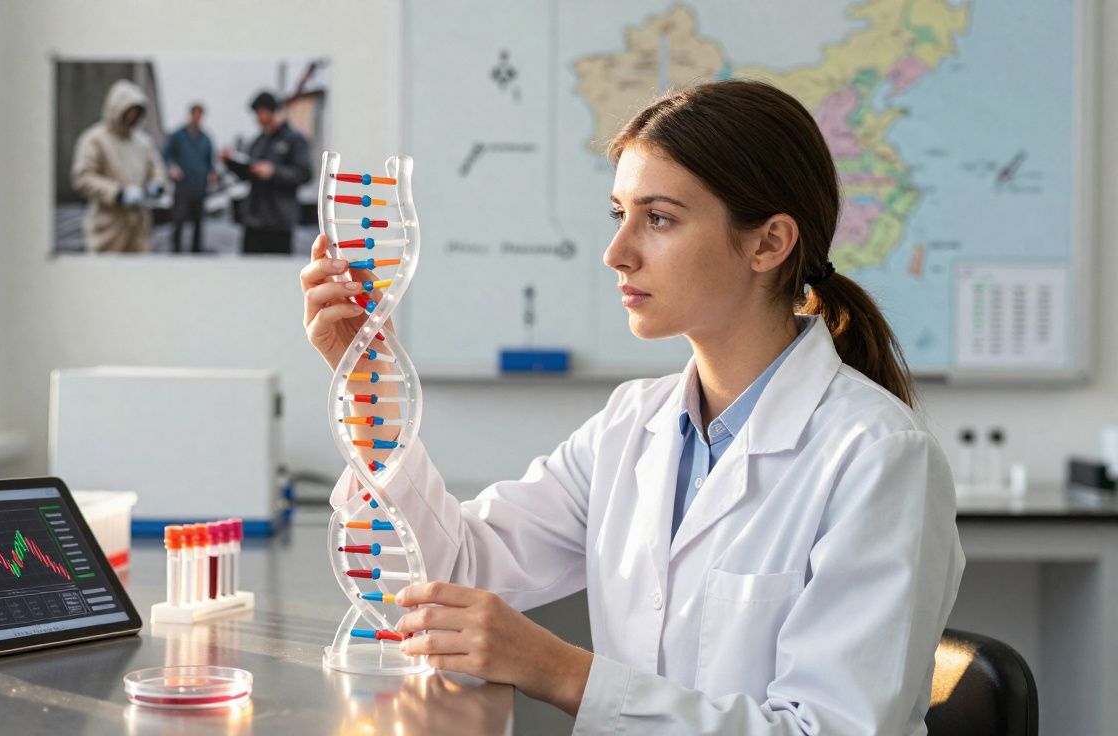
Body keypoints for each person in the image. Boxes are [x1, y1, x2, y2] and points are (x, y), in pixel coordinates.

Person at [301, 79, 964, 734]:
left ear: (768, 243)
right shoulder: (632, 423)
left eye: (660, 219)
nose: (617, 254)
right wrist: (370, 381)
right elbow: (453, 570)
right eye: (619, 214)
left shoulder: (880, 458)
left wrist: (557, 670)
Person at [70, 79, 167, 253]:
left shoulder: (143, 143)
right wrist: (118, 193)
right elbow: (82, 177)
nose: (133, 117)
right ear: (116, 108)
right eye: (129, 111)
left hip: (138, 229)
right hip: (108, 227)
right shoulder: (95, 140)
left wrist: (157, 185)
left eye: (137, 112)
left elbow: (157, 169)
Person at [222, 91, 311, 255]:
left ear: (272, 111)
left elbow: (304, 173)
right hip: (254, 220)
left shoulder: (294, 140)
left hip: (279, 222)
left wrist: (274, 172)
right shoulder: (258, 141)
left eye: (261, 112)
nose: (258, 117)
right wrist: (231, 163)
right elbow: (248, 174)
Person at [162, 103, 217, 254]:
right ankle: (176, 251)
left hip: (200, 186)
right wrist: (172, 167)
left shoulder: (206, 138)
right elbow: (166, 155)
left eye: (200, 115)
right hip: (183, 186)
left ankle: (196, 251)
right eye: (195, 114)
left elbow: (210, 160)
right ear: (191, 115)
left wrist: (212, 173)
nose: (197, 118)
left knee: (199, 222)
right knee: (179, 220)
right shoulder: (178, 135)